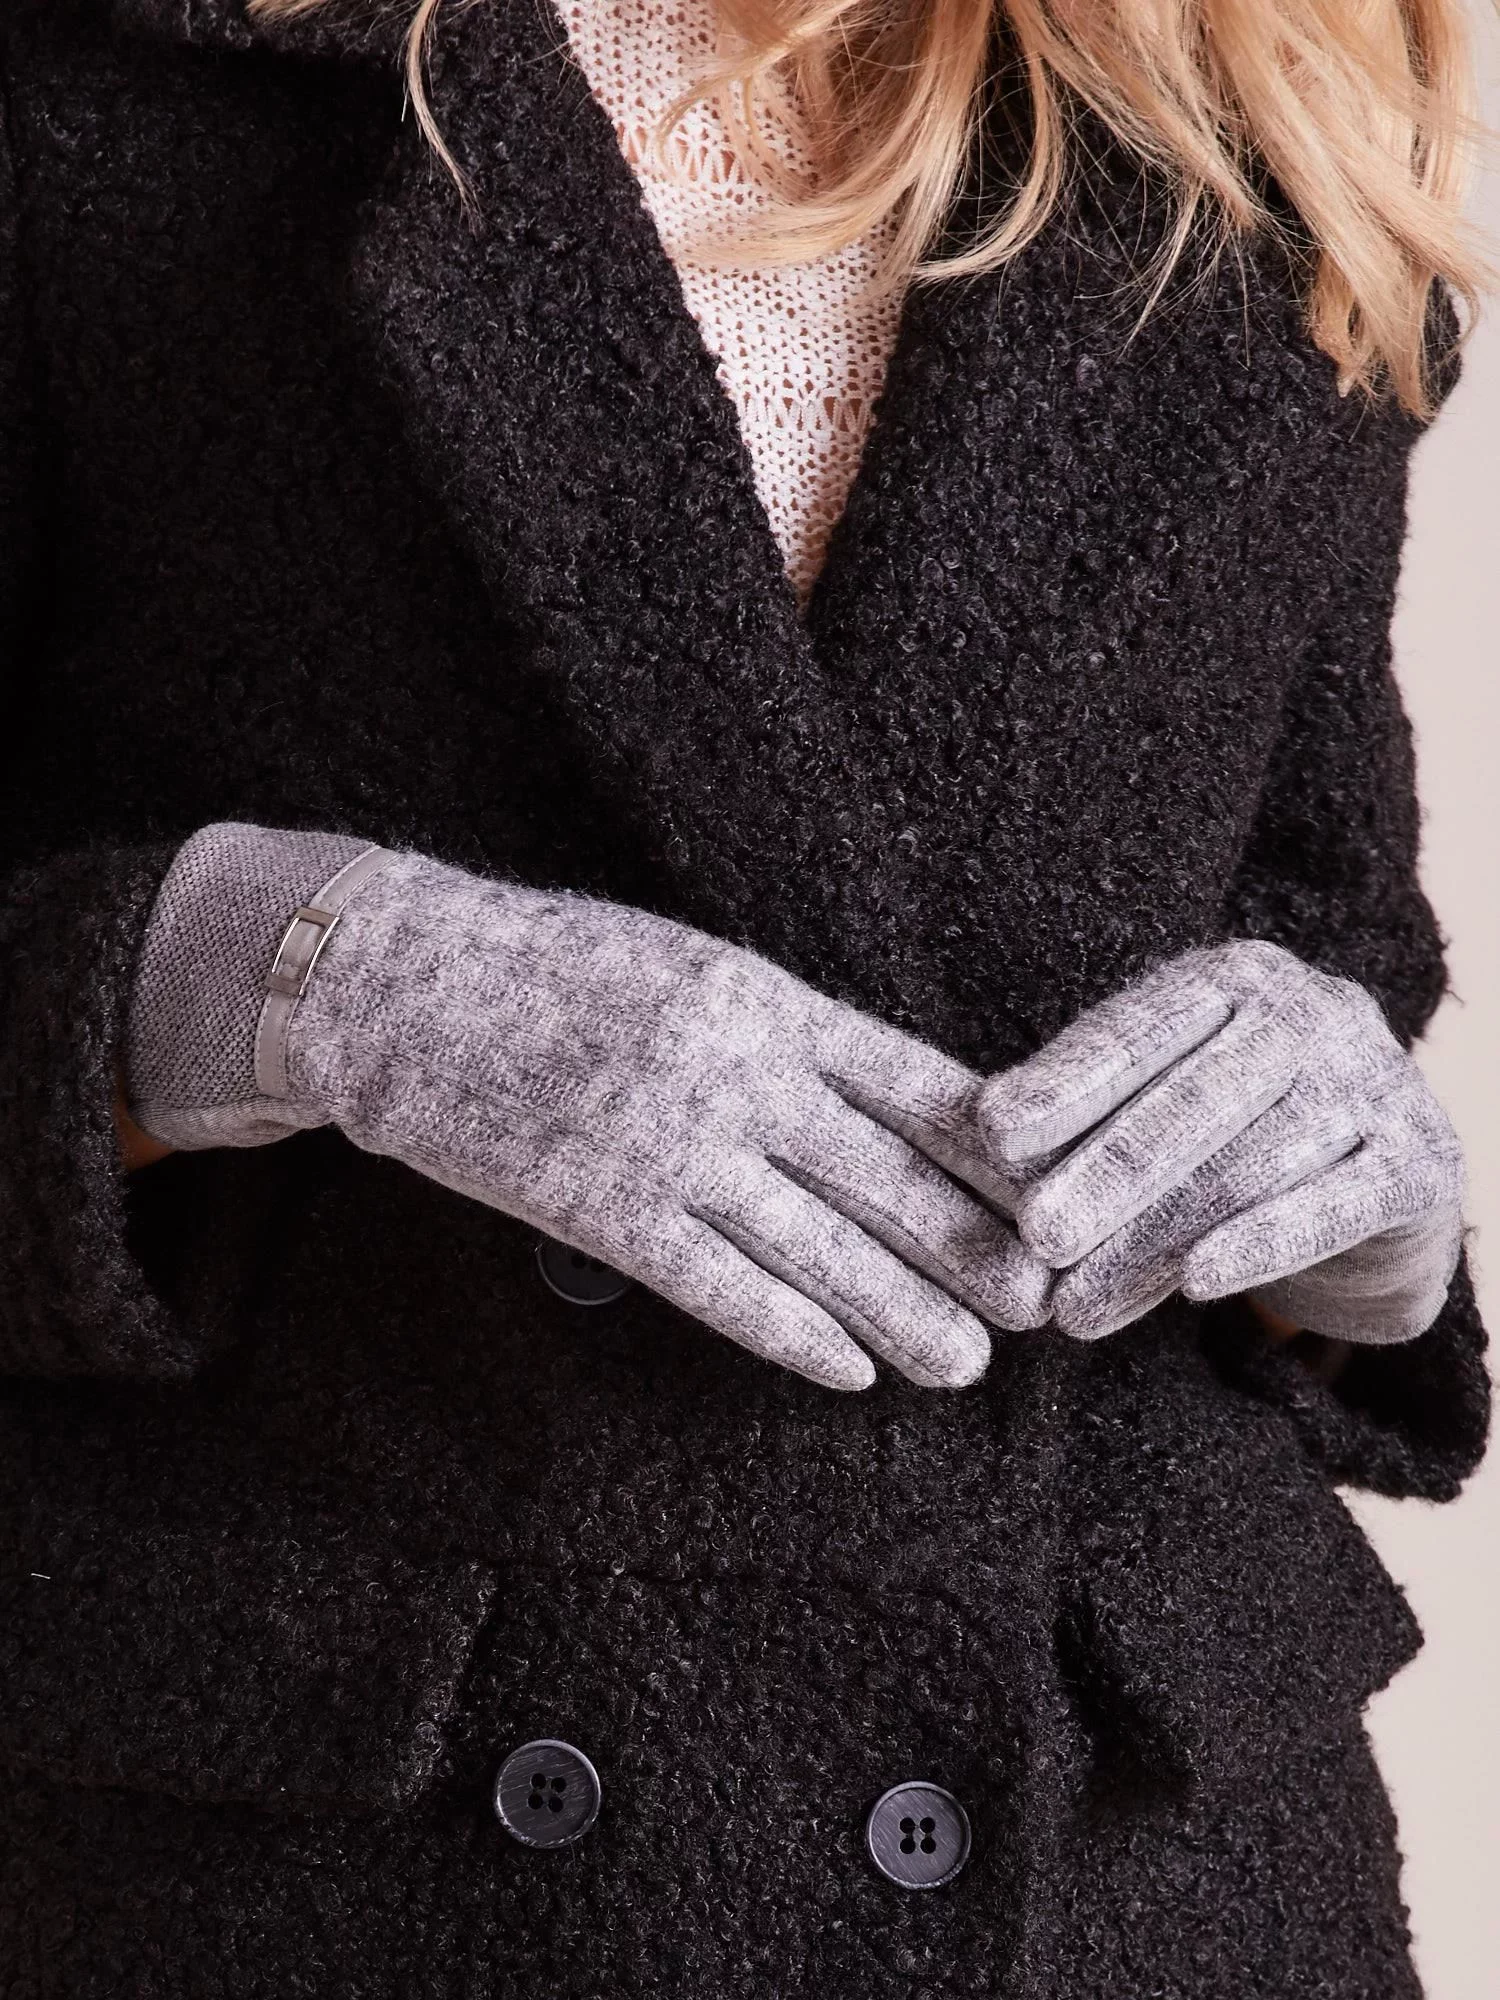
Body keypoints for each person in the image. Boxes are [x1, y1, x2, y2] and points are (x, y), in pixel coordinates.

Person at [0, 0, 1490, 1990]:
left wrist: (1363, 1205)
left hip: (1138, 1870)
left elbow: (1330, 926)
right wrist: (301, 977)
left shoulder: (1253, 112)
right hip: (342, 1855)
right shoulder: (111, 81)